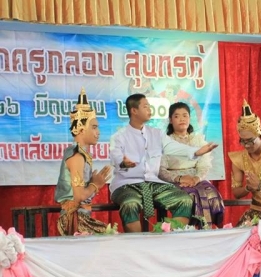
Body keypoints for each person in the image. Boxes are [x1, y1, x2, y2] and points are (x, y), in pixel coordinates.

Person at [109, 93, 218, 233]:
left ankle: (164, 238)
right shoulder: (118, 137)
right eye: (145, 106)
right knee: (130, 204)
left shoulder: (157, 134)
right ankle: (137, 243)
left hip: (154, 183)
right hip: (126, 184)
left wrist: (197, 151)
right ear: (134, 111)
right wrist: (124, 163)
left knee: (185, 201)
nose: (149, 109)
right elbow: (116, 157)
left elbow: (174, 147)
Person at [55, 88, 112, 235]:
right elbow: (79, 196)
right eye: (94, 127)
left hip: (81, 217)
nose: (98, 132)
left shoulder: (81, 154)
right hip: (75, 220)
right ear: (81, 129)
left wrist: (93, 183)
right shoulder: (77, 156)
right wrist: (95, 185)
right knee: (111, 238)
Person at [158, 102, 225, 228]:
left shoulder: (198, 140)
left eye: (185, 115)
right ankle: (186, 230)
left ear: (189, 118)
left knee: (212, 194)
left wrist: (196, 179)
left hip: (196, 178)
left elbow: (204, 165)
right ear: (170, 120)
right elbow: (160, 170)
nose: (182, 119)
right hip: (173, 181)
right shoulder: (165, 141)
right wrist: (179, 178)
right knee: (191, 195)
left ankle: (207, 230)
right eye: (177, 116)